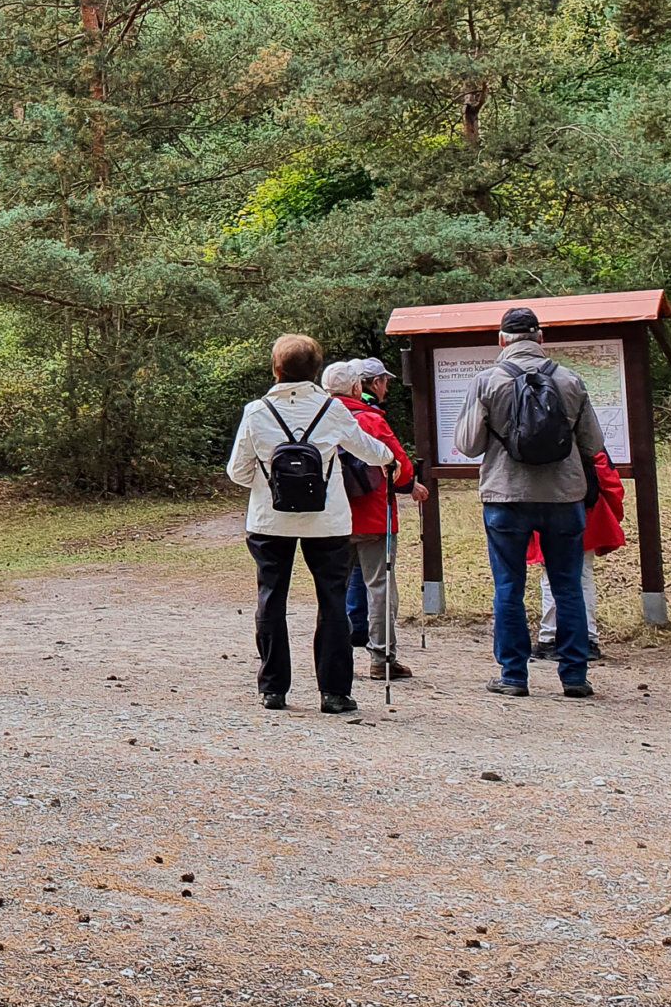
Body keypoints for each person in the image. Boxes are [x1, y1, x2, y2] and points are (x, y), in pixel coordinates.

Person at [226, 334, 395, 714]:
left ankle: (274, 689)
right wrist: (390, 459)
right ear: (316, 370)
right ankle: (334, 693)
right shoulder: (332, 409)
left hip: (270, 520)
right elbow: (367, 450)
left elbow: (237, 472)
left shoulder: (257, 412)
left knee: (271, 599)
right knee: (332, 601)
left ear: (275, 368)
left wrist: (265, 476)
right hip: (327, 520)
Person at [451, 306, 606, 698]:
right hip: (563, 495)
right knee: (567, 586)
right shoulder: (570, 381)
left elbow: (468, 445)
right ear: (541, 338)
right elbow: (593, 443)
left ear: (501, 340)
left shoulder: (487, 381)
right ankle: (574, 675)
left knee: (508, 586)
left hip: (506, 495)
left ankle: (514, 675)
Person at [323, 360, 429, 679]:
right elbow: (401, 468)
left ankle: (333, 656)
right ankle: (382, 658)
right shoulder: (370, 420)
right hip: (374, 516)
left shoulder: (317, 419)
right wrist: (409, 485)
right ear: (358, 387)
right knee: (380, 588)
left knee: (333, 591)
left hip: (333, 519)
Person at [530, 448, 624, 661]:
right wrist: (611, 515)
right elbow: (609, 480)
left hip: (542, 509)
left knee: (549, 577)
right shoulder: (586, 436)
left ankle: (549, 637)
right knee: (583, 577)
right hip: (585, 512)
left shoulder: (528, 428)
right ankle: (587, 639)